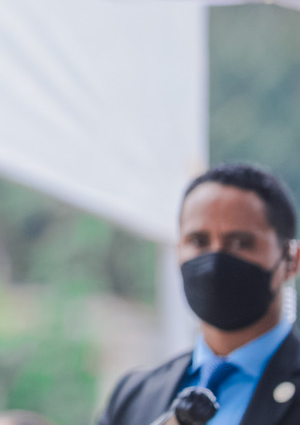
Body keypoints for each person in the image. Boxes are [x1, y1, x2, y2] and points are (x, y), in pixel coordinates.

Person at [97, 162, 300, 425]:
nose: (215, 261)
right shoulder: (134, 398)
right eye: (198, 241)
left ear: (291, 260)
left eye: (240, 242)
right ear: (178, 250)